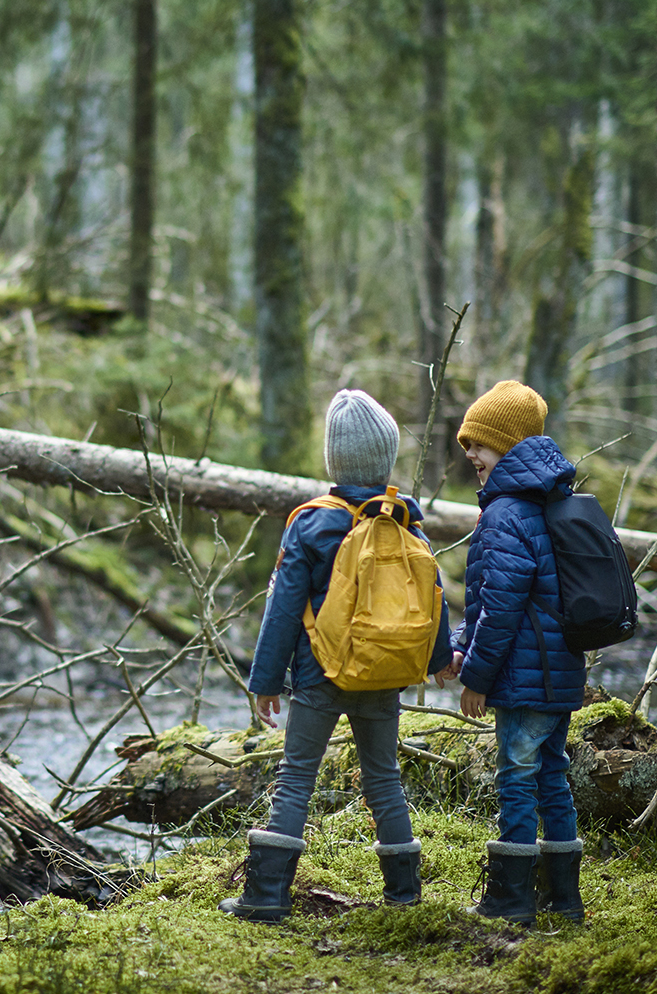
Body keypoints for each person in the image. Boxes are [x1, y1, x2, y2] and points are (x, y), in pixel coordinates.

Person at [220, 389, 456, 923]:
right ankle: (404, 894)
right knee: (384, 778)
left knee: (297, 776)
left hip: (319, 673)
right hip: (383, 675)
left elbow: (282, 608)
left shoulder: (310, 523)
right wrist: (439, 660)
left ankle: (267, 895)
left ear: (333, 460)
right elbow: (432, 598)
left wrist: (265, 681)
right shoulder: (407, 523)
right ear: (386, 458)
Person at [451, 380, 587, 924]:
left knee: (516, 775)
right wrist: (463, 646)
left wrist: (477, 677)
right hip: (560, 679)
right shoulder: (547, 502)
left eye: (477, 443)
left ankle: (510, 900)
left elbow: (501, 609)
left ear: (506, 443)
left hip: (524, 681)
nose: (469, 454)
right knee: (552, 777)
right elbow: (493, 601)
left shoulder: (505, 513)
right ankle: (564, 898)